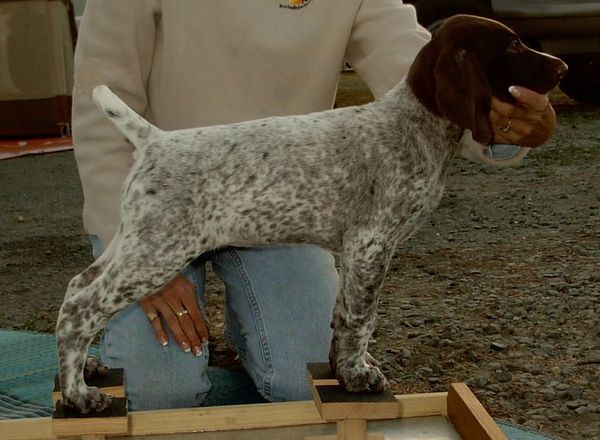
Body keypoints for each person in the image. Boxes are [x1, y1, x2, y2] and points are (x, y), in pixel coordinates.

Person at [72, 0, 556, 411]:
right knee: (159, 395)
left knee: (305, 382)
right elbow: (101, 98)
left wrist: (507, 125)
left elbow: (416, 65)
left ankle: (247, 333)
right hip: (172, 187)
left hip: (282, 202)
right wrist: (135, 250)